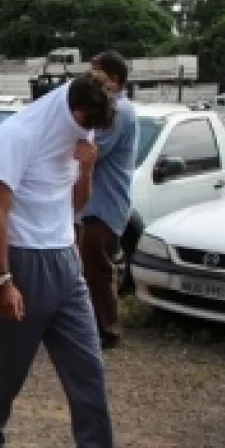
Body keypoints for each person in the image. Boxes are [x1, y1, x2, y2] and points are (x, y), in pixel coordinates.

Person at [0, 72, 147, 448]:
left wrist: (87, 166)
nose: (89, 134)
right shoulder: (21, 132)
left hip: (65, 260)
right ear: (74, 111)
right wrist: (2, 280)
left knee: (89, 369)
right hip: (24, 259)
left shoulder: (84, 126)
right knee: (6, 372)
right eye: (86, 125)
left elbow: (75, 203)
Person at [77, 51, 138, 349]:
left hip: (104, 205)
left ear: (114, 80)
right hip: (93, 204)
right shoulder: (111, 108)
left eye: (97, 75)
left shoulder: (119, 112)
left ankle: (107, 330)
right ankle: (91, 327)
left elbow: (92, 151)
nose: (92, 80)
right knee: (88, 268)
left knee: (97, 269)